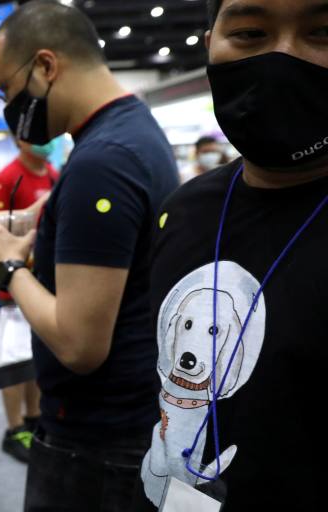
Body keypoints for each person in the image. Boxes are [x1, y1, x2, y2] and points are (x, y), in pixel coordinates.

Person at [0, 2, 179, 510]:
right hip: (128, 427)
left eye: (6, 89)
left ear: (45, 66)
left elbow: (79, 343)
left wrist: (7, 266)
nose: (7, 105)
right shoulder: (128, 133)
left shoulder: (102, 164)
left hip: (95, 443)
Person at [139, 1, 328, 509]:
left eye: (321, 32)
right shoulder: (184, 211)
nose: (283, 56)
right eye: (249, 32)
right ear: (211, 46)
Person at [0, 139, 59, 464]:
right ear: (19, 140)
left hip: (43, 284)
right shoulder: (7, 178)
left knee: (34, 359)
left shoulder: (54, 174)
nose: (47, 141)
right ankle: (14, 428)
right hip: (11, 285)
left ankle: (33, 418)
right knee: (10, 361)